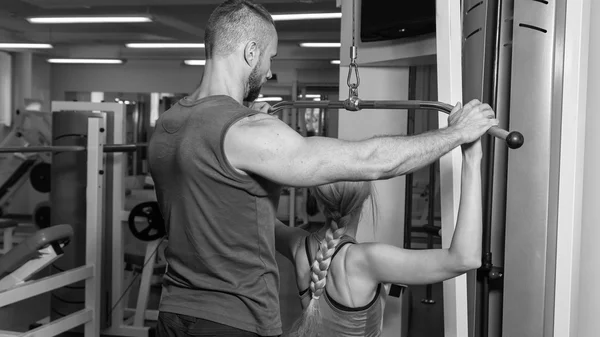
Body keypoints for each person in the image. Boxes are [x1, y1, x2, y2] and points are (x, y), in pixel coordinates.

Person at [147, 0, 497, 336]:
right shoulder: (246, 133)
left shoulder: (167, 125)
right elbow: (370, 160)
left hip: (174, 313)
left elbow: (223, 209)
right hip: (233, 323)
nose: (269, 71)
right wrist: (458, 136)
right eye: (269, 58)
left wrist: (249, 119)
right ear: (250, 52)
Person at [274, 137, 483, 337]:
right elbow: (466, 258)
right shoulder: (368, 260)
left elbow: (262, 218)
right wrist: (472, 159)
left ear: (318, 200)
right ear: (365, 196)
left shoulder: (299, 247)